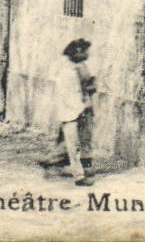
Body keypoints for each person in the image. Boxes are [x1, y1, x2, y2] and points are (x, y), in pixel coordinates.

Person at [37, 38, 97, 186]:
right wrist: (80, 107)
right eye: (85, 52)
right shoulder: (66, 71)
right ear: (78, 52)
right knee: (73, 145)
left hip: (80, 110)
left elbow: (88, 83)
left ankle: (52, 162)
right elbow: (67, 95)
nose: (88, 54)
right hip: (70, 112)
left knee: (77, 142)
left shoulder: (79, 67)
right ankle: (79, 176)